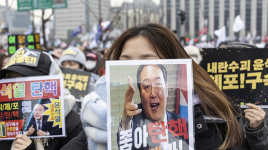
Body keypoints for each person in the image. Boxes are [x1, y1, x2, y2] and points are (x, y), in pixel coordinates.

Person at [105, 24, 267, 150]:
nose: (134, 66)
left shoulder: (210, 113)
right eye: (125, 59)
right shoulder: (111, 116)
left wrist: (256, 132)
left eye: (147, 58)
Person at [0, 48, 87, 150]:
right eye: (10, 80)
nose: (16, 87)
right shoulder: (1, 123)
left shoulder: (72, 124)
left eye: (25, 80)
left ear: (50, 80)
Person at [118, 64, 184, 150]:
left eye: (158, 84)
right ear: (140, 94)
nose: (153, 93)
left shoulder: (181, 124)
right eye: (146, 86)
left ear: (166, 89)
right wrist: (125, 121)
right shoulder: (131, 123)